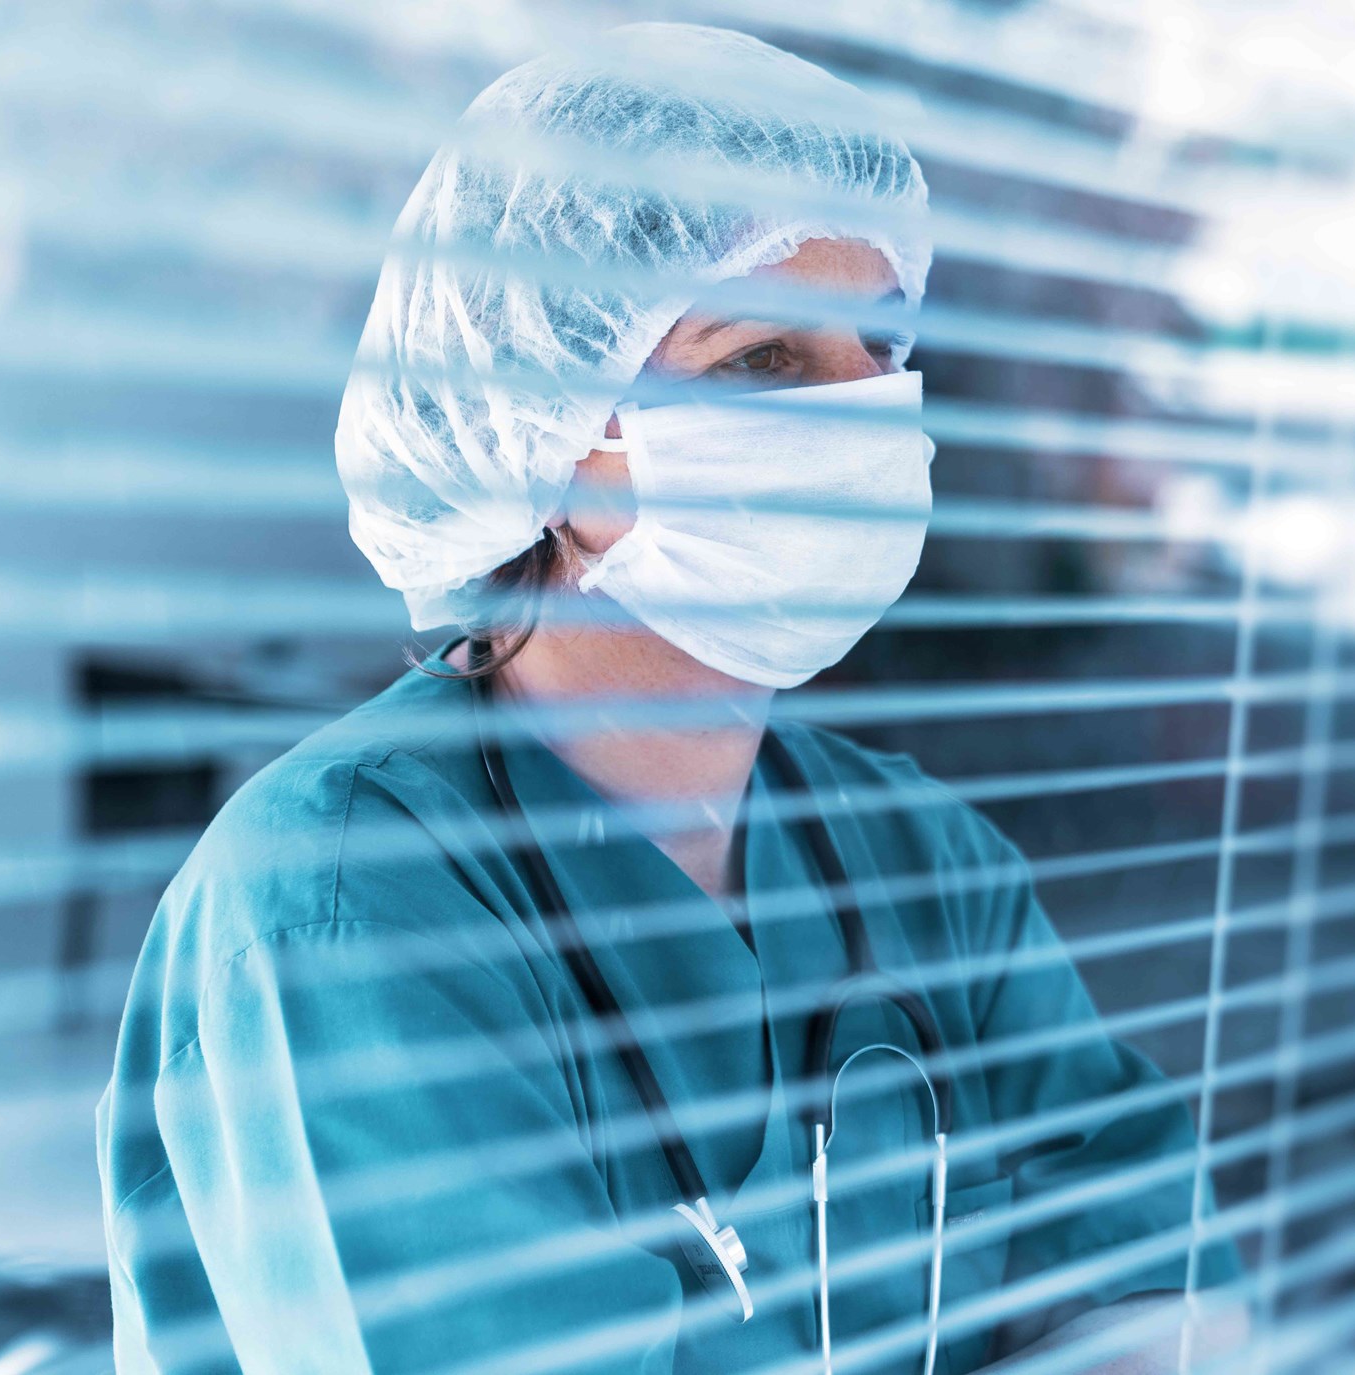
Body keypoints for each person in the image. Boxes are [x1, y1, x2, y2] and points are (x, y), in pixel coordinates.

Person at [97, 23, 1243, 1375]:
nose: (868, 413)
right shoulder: (339, 902)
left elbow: (1151, 1280)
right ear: (542, 419)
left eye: (882, 347)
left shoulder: (922, 866)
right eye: (761, 361)